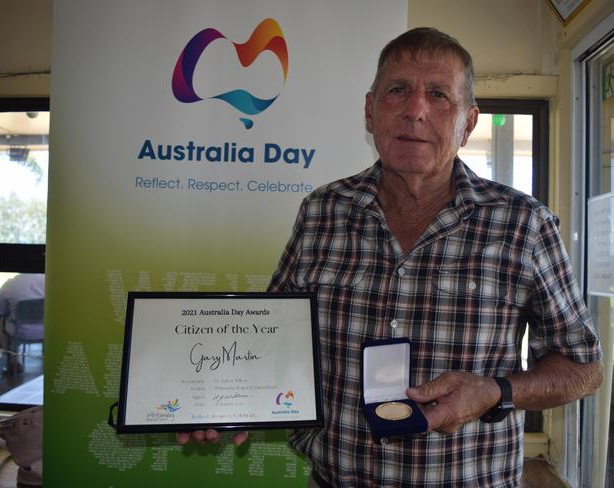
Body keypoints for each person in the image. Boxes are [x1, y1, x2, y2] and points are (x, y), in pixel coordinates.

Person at [178, 27, 603, 486]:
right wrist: (223, 400)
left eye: (439, 95)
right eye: (397, 90)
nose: (415, 110)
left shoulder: (523, 224)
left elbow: (583, 368)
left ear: (469, 122)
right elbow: (274, 336)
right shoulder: (324, 211)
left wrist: (495, 391)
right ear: (370, 110)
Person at [0, 273, 45, 373]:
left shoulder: (10, 284)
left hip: (19, 331)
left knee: (1, 326)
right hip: (47, 331)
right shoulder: (49, 280)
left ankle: (14, 361)